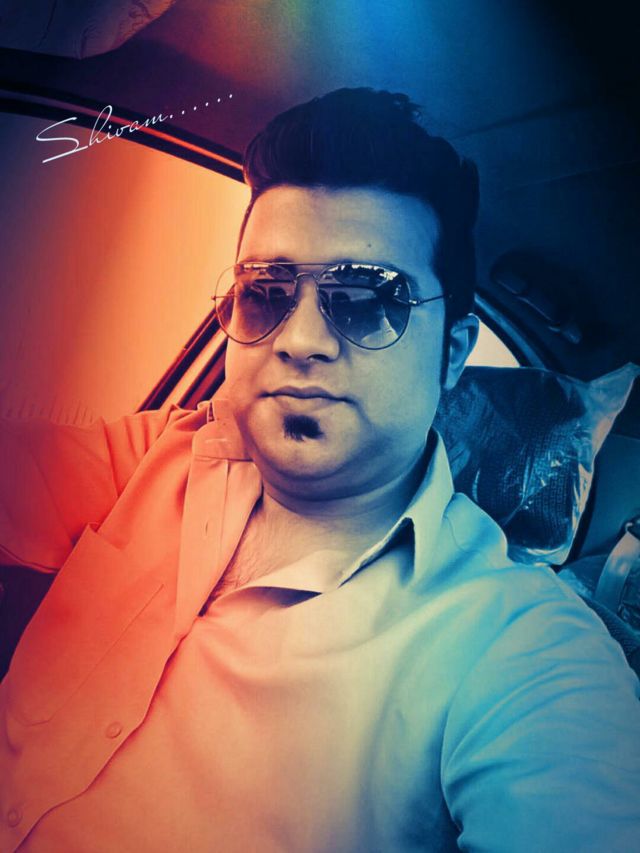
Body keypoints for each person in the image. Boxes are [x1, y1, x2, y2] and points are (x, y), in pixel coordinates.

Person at [0, 88, 639, 852]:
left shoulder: (521, 647)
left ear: (452, 353)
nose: (298, 338)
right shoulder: (163, 452)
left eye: (367, 301)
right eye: (265, 294)